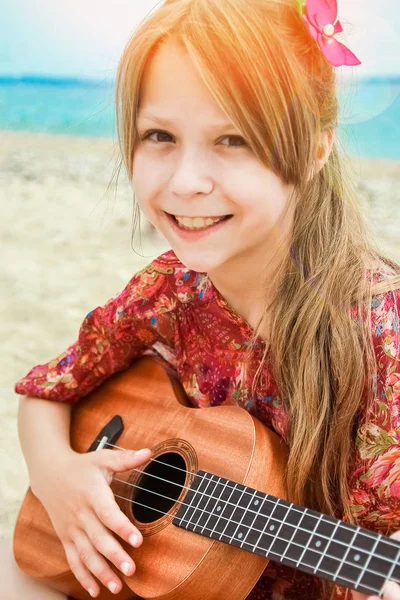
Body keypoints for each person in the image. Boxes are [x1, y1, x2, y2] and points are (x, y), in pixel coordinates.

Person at [3, 0, 400, 598]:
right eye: (159, 135)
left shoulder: (381, 339)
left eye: (232, 138)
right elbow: (46, 393)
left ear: (316, 148)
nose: (186, 181)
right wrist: (58, 476)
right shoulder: (170, 289)